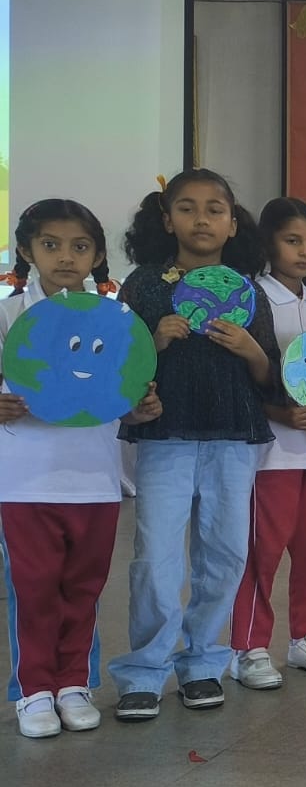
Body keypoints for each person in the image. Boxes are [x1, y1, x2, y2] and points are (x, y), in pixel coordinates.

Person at [110, 171, 280, 722]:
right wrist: (154, 341)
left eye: (214, 209)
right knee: (156, 557)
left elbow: (271, 377)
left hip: (234, 435)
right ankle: (144, 670)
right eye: (187, 208)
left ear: (232, 223)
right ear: (166, 220)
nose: (201, 219)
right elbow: (120, 369)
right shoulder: (143, 285)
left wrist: (250, 348)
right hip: (167, 436)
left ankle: (203, 662)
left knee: (225, 554)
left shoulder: (248, 290)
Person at [0, 201, 161, 737]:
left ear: (96, 255)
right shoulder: (8, 317)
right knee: (34, 589)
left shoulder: (114, 322)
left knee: (84, 587)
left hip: (95, 480)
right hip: (25, 482)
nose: (65, 257)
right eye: (51, 245)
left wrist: (140, 408)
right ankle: (33, 690)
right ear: (27, 251)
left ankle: (74, 683)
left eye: (80, 246)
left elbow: (123, 395)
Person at [229, 198, 306, 689]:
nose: (304, 252)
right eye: (292, 240)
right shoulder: (251, 298)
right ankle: (249, 646)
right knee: (263, 548)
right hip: (270, 449)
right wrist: (277, 412)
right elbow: (241, 376)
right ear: (268, 243)